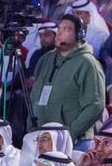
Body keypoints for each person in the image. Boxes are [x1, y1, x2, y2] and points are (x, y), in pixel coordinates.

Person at [28, 15, 105, 143]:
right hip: (41, 139)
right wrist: (31, 128)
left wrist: (70, 133)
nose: (59, 33)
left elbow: (95, 105)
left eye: (66, 30)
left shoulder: (87, 63)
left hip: (75, 142)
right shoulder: (46, 59)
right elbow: (34, 97)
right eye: (59, 29)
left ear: (79, 35)